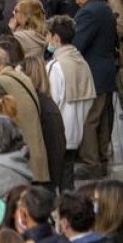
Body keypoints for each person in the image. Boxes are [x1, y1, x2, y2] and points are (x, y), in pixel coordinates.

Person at [71, 0, 117, 179]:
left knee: (90, 119)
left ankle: (91, 163)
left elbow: (77, 44)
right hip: (105, 72)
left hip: (93, 73)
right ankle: (101, 160)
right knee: (103, 119)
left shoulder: (89, 12)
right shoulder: (104, 7)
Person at [45, 15, 96, 192]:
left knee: (58, 180)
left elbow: (51, 101)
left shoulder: (55, 66)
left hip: (58, 133)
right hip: (77, 130)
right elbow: (90, 97)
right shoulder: (82, 62)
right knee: (68, 176)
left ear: (56, 38)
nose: (46, 40)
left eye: (47, 35)